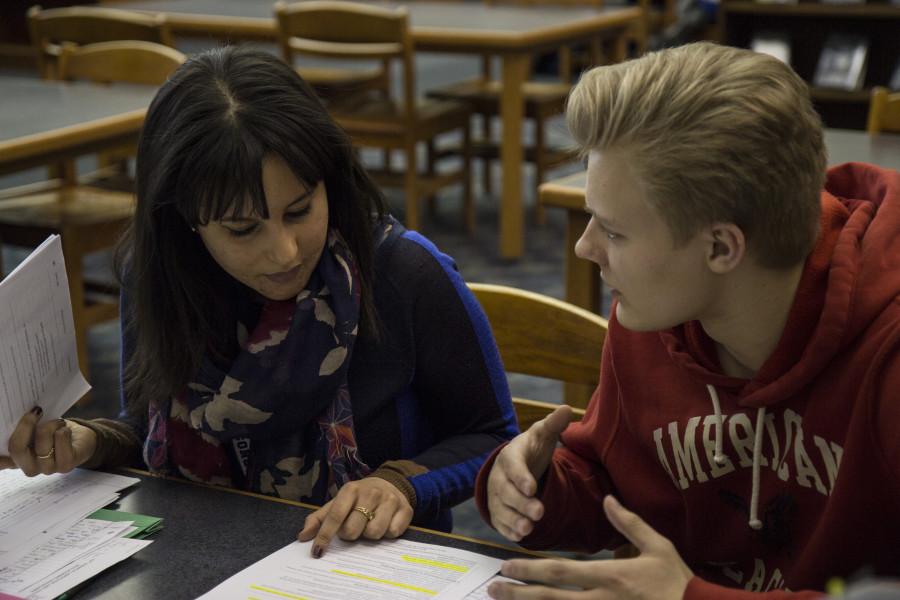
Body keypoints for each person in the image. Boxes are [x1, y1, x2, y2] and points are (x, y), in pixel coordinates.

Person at [1, 46, 518, 556]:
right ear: (183, 218)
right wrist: (89, 441)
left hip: (356, 570)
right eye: (242, 229)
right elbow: (149, 427)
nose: (285, 252)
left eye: (300, 210)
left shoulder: (404, 274)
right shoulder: (160, 277)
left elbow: (491, 436)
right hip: (195, 554)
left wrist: (400, 484)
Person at [476, 41, 900, 599]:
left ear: (722, 247)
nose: (584, 248)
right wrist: (539, 486)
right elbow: (618, 482)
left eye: (614, 231)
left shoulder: (887, 357)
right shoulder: (654, 311)